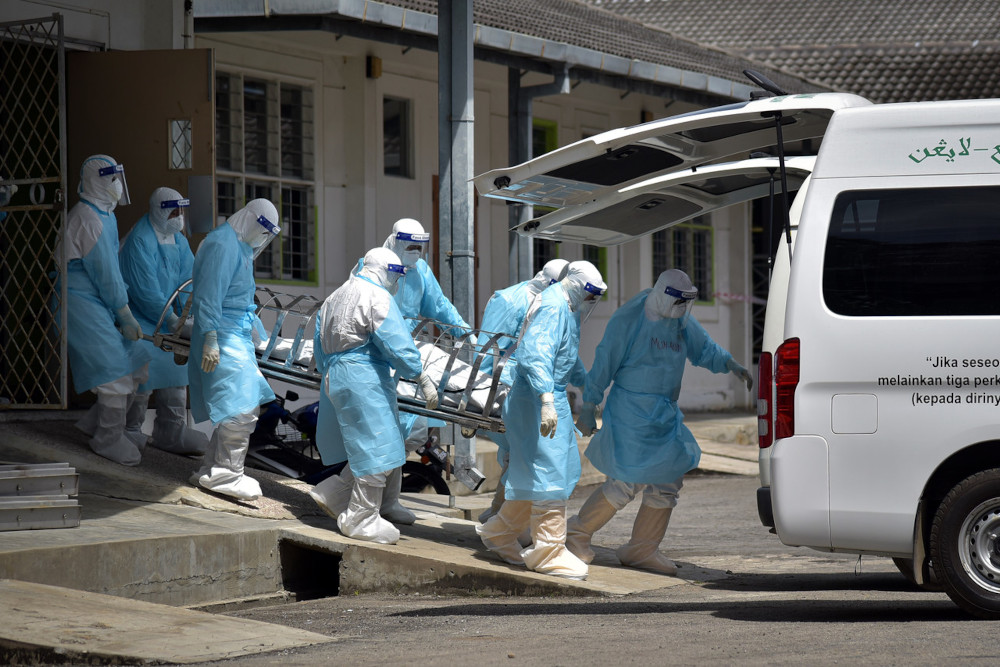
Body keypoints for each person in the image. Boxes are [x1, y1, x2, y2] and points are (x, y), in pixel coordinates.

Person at [566, 269, 753, 575]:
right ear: (664, 295)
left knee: (667, 480)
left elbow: (704, 348)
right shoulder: (629, 319)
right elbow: (605, 362)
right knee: (627, 481)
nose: (683, 309)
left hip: (664, 414)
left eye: (686, 303)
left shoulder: (679, 320)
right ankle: (576, 534)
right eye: (679, 302)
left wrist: (730, 363)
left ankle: (642, 548)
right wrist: (589, 405)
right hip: (632, 412)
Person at [477, 260, 607, 580]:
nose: (591, 301)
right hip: (536, 398)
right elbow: (535, 354)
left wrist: (586, 396)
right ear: (575, 285)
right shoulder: (552, 306)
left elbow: (567, 357)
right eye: (590, 294)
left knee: (545, 472)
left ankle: (500, 532)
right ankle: (548, 550)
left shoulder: (566, 307)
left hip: (546, 396)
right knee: (550, 473)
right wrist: (546, 398)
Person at [337, 217, 471, 525]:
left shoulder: (420, 270)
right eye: (410, 246)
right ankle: (352, 496)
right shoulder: (372, 265)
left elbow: (439, 304)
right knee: (385, 434)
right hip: (376, 355)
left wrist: (462, 330)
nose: (415, 252)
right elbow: (355, 305)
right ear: (395, 240)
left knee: (410, 433)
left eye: (419, 247)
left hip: (408, 353)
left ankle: (387, 501)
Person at [308, 247, 439, 544]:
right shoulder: (377, 296)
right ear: (384, 270)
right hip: (363, 377)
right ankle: (361, 518)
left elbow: (318, 342)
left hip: (337, 375)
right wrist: (419, 375)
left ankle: (335, 495)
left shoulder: (335, 295)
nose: (397, 281)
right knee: (379, 448)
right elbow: (396, 343)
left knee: (370, 445)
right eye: (396, 274)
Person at [187, 199, 281, 501]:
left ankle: (212, 469)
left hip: (234, 333)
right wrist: (211, 337)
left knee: (235, 404)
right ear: (249, 218)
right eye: (263, 229)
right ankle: (227, 473)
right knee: (242, 406)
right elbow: (208, 294)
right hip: (221, 333)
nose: (264, 237)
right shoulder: (222, 244)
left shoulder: (239, 245)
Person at [62, 154, 150, 466]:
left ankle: (97, 424)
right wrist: (123, 313)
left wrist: (120, 310)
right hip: (78, 302)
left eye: (117, 178)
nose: (117, 185)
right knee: (114, 369)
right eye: (111, 178)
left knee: (137, 359)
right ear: (95, 181)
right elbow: (106, 274)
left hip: (99, 299)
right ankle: (108, 437)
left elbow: (110, 273)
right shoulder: (88, 218)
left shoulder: (105, 215)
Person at [476, 258, 569, 524]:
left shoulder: (553, 305)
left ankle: (499, 516)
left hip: (532, 385)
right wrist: (482, 391)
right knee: (521, 452)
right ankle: (502, 521)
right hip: (509, 383)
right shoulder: (511, 301)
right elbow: (487, 351)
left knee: (520, 453)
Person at [119, 187, 209, 456]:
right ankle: (129, 428)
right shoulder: (140, 239)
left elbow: (189, 280)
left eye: (181, 211)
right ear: (159, 210)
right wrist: (171, 319)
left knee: (176, 367)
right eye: (173, 211)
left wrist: (188, 314)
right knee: (143, 371)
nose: (178, 216)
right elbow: (144, 290)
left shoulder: (178, 240)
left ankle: (171, 430)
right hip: (140, 319)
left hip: (168, 319)